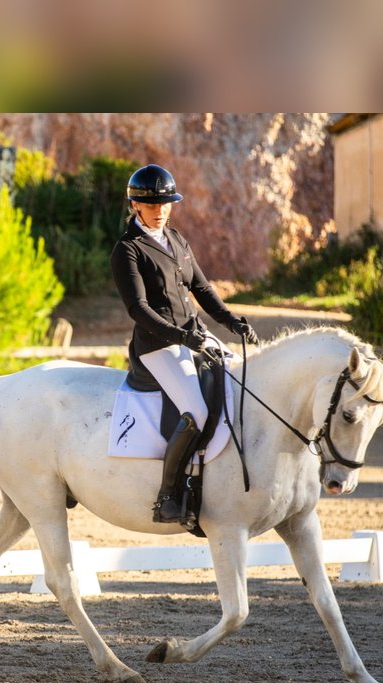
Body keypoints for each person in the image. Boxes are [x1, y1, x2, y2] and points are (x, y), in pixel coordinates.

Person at [110, 163, 258, 524]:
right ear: (135, 206)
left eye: (166, 203)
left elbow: (202, 288)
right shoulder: (127, 250)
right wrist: (181, 337)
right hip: (158, 345)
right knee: (198, 412)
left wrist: (229, 321)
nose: (160, 210)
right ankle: (168, 496)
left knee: (239, 383)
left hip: (192, 333)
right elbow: (138, 309)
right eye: (152, 205)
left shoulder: (177, 239)